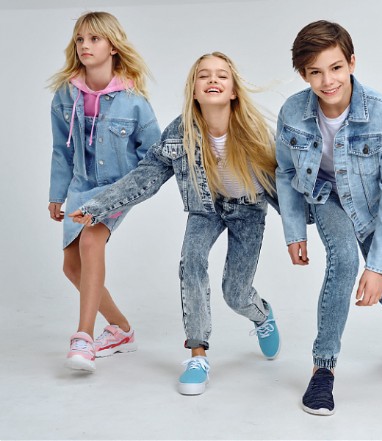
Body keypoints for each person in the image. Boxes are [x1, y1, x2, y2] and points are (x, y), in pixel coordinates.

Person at [70, 52, 280, 395]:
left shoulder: (255, 131)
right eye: (204, 75)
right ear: (194, 90)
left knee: (235, 293)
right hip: (205, 208)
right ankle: (198, 355)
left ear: (233, 91)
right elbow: (145, 177)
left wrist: (301, 231)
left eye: (221, 75)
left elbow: (284, 182)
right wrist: (98, 207)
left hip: (248, 212)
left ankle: (261, 315)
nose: (212, 80)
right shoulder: (179, 133)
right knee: (191, 263)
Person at [275, 20, 382, 416]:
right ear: (304, 74)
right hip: (326, 198)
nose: (328, 81)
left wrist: (377, 266)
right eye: (315, 72)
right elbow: (285, 173)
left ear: (352, 63)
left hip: (374, 208)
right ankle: (323, 369)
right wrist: (293, 230)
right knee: (342, 261)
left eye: (336, 67)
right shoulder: (292, 113)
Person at [48, 11, 161, 372]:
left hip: (116, 189)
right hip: (80, 186)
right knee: (71, 267)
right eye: (80, 39)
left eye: (94, 39)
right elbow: (61, 150)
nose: (85, 45)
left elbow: (155, 155)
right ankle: (122, 330)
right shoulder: (65, 96)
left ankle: (83, 337)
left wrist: (131, 191)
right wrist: (57, 194)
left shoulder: (134, 102)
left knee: (90, 243)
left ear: (113, 46)